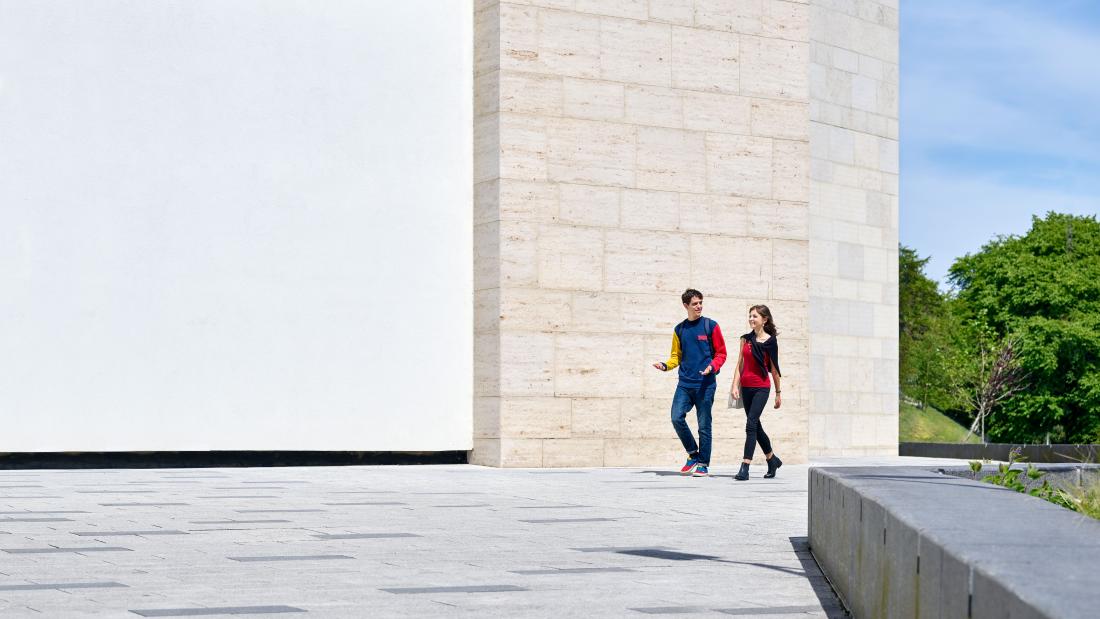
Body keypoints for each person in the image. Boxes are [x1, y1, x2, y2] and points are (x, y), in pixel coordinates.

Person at [652, 289, 727, 477]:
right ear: (686, 306)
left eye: (700, 302)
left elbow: (721, 353)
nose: (699, 306)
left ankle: (703, 463)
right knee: (676, 417)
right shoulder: (679, 330)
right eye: (695, 303)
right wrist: (665, 366)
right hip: (684, 384)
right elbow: (676, 357)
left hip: (705, 384)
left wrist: (712, 366)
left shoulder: (711, 326)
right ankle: (693, 454)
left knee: (704, 425)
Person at [729, 304, 783, 481]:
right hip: (745, 387)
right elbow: (740, 364)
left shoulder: (770, 341)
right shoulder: (745, 339)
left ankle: (745, 466)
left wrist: (778, 392)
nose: (751, 319)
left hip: (761, 387)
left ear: (764, 319)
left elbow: (774, 369)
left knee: (750, 424)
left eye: (755, 316)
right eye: (750, 316)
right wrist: (734, 385)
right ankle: (772, 459)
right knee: (756, 426)